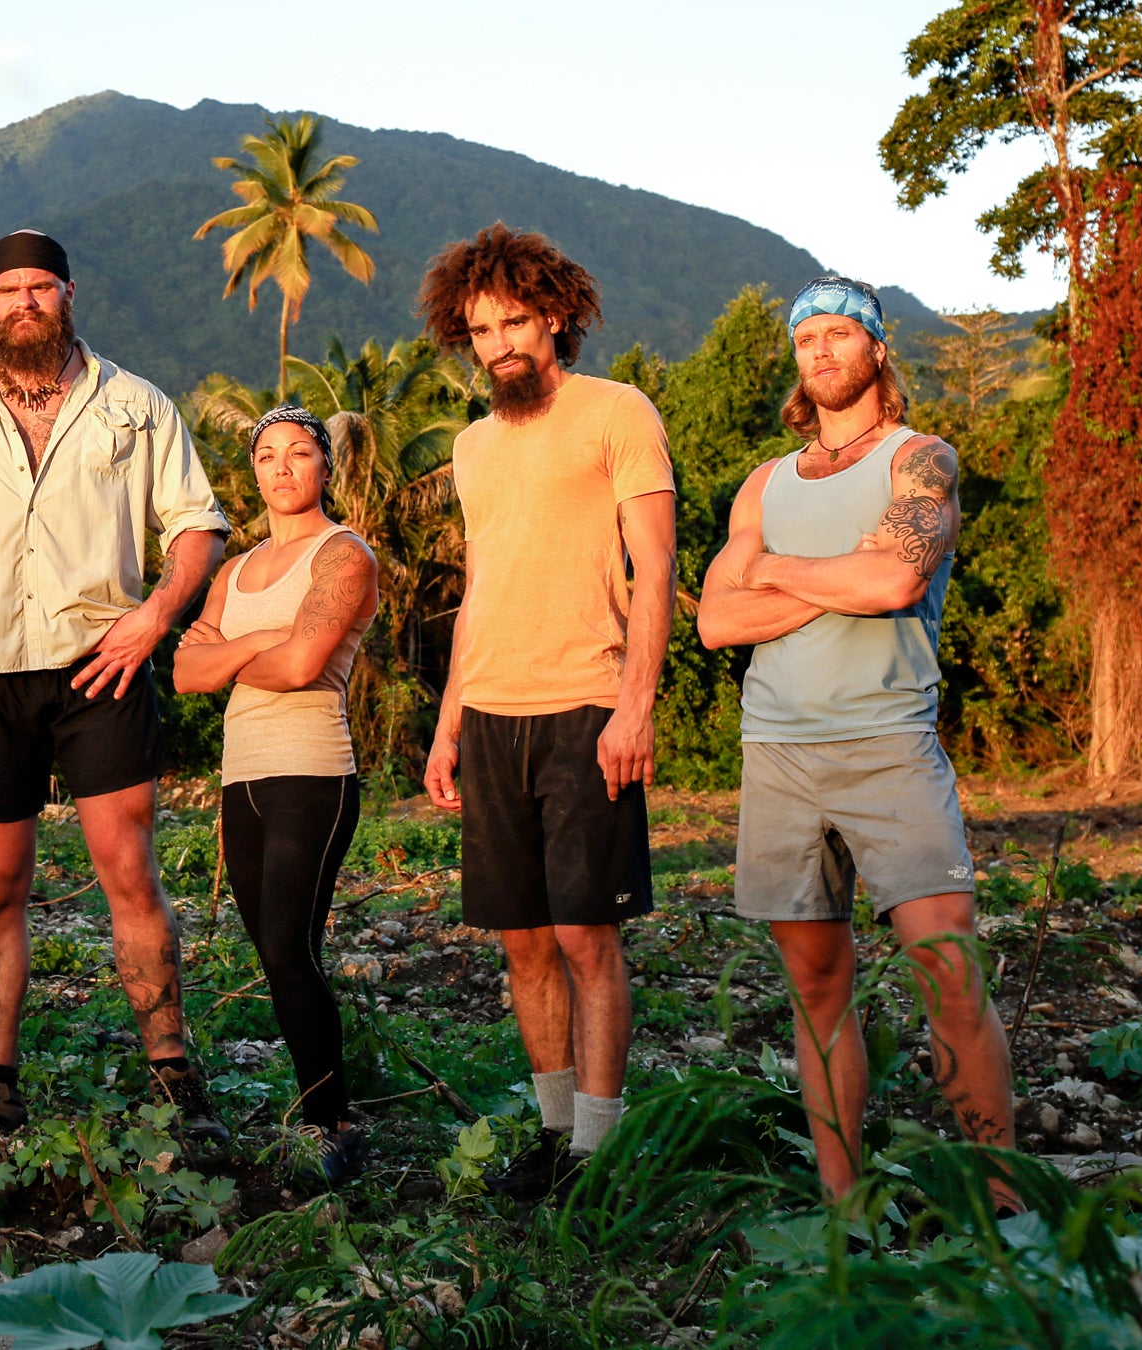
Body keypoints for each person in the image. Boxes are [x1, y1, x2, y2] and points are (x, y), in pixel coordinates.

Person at [0, 229, 233, 1148]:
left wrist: (153, 618)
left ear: (69, 294)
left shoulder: (135, 405)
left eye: (42, 287)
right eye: (9, 288)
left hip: (100, 666)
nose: (25, 301)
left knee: (130, 873)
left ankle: (172, 1068)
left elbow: (196, 527)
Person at [697, 275, 1017, 1204]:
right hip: (780, 755)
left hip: (889, 745)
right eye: (808, 339)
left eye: (842, 334)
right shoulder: (764, 482)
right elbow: (717, 620)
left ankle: (1002, 1201)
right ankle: (846, 1207)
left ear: (877, 349)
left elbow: (892, 587)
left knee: (949, 976)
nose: (823, 352)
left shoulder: (921, 460)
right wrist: (843, 570)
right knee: (817, 993)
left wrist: (775, 574)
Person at [417, 226, 677, 1198]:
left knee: (583, 935)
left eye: (514, 322)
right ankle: (555, 1133)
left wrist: (634, 707)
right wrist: (447, 726)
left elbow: (654, 568)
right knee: (522, 938)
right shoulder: (473, 445)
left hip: (585, 707)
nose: (499, 346)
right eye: (480, 330)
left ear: (555, 315)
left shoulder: (617, 412)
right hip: (491, 716)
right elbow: (480, 588)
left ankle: (598, 1154)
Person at [173, 405, 377, 1183]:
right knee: (277, 951)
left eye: (299, 452)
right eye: (267, 455)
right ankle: (319, 1102)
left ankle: (334, 1125)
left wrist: (235, 647)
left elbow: (302, 670)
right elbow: (188, 675)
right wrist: (268, 640)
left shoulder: (343, 555)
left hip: (311, 771)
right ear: (253, 470)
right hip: (242, 775)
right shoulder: (234, 569)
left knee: (291, 946)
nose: (282, 466)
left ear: (326, 466)